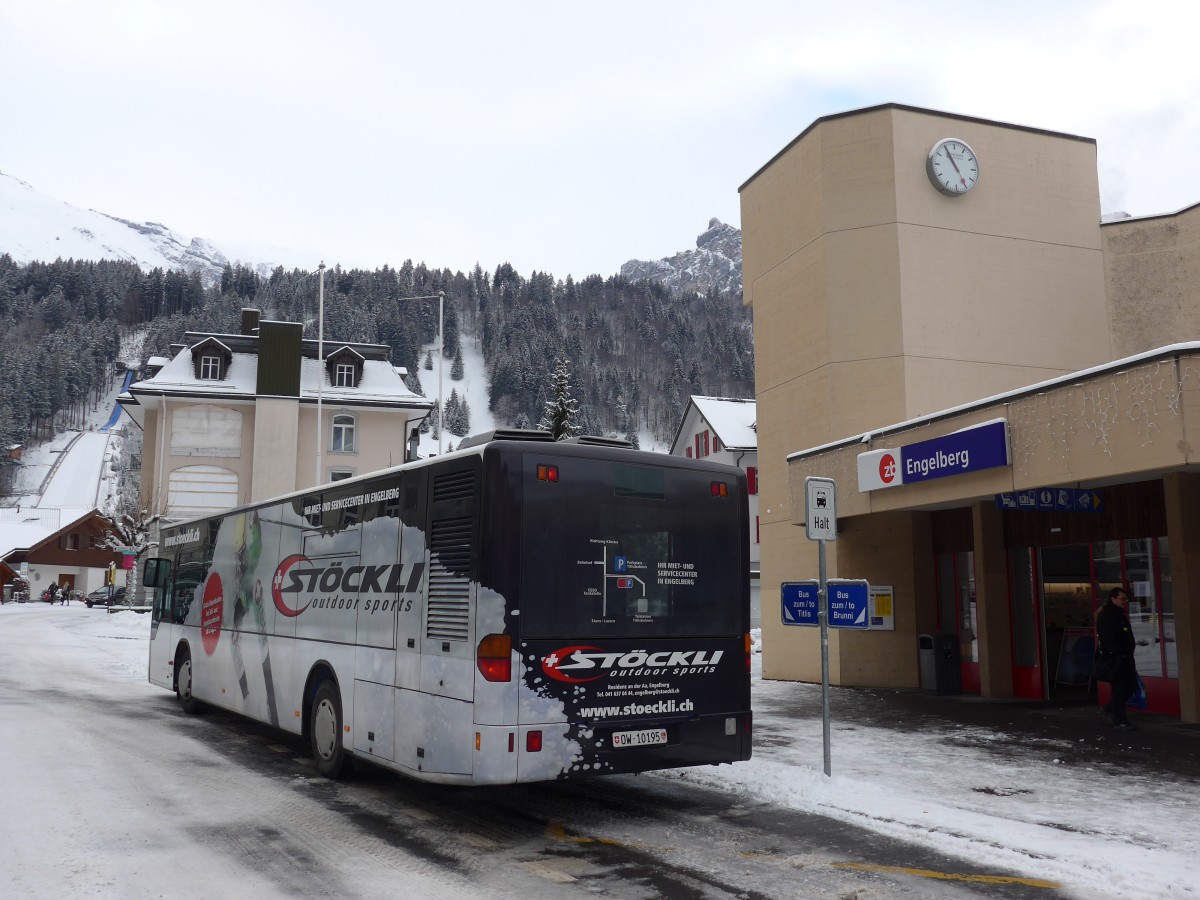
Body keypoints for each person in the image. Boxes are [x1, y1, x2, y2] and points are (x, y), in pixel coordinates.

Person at [1096, 586, 1139, 731]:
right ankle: (1119, 720)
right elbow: (1107, 637)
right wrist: (1117, 653)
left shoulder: (1120, 615)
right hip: (1116, 658)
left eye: (1126, 599)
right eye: (1122, 599)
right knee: (1120, 688)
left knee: (1131, 686)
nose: (1125, 602)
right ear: (1113, 599)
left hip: (1126, 657)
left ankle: (1110, 708)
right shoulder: (1107, 616)